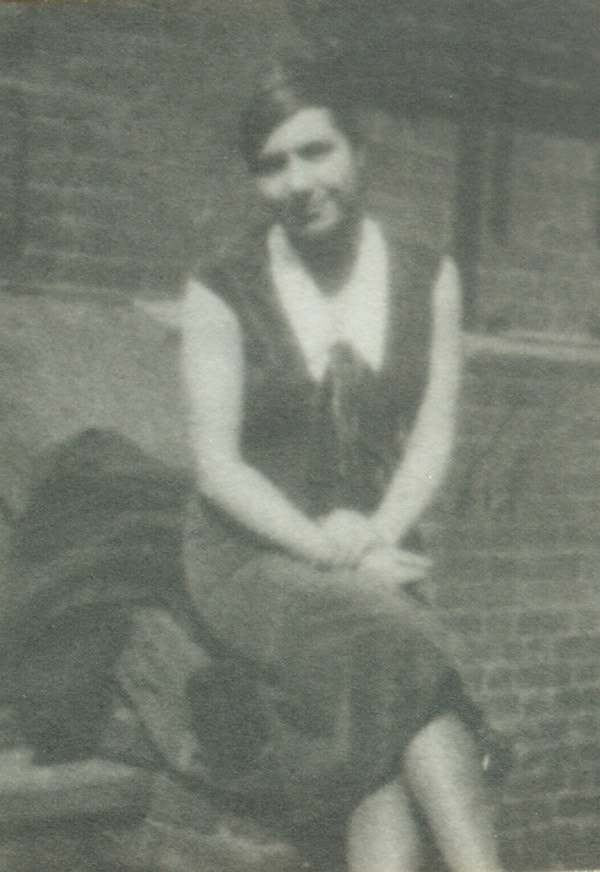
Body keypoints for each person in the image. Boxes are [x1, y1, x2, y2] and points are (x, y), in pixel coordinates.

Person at [180, 63, 506, 872]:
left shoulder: (429, 277)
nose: (298, 182)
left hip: (376, 547)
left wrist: (374, 537)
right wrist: (333, 552)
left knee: (379, 711)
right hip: (250, 555)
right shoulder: (221, 288)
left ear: (360, 153)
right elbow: (219, 468)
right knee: (398, 655)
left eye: (316, 152)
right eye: (272, 165)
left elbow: (433, 434)